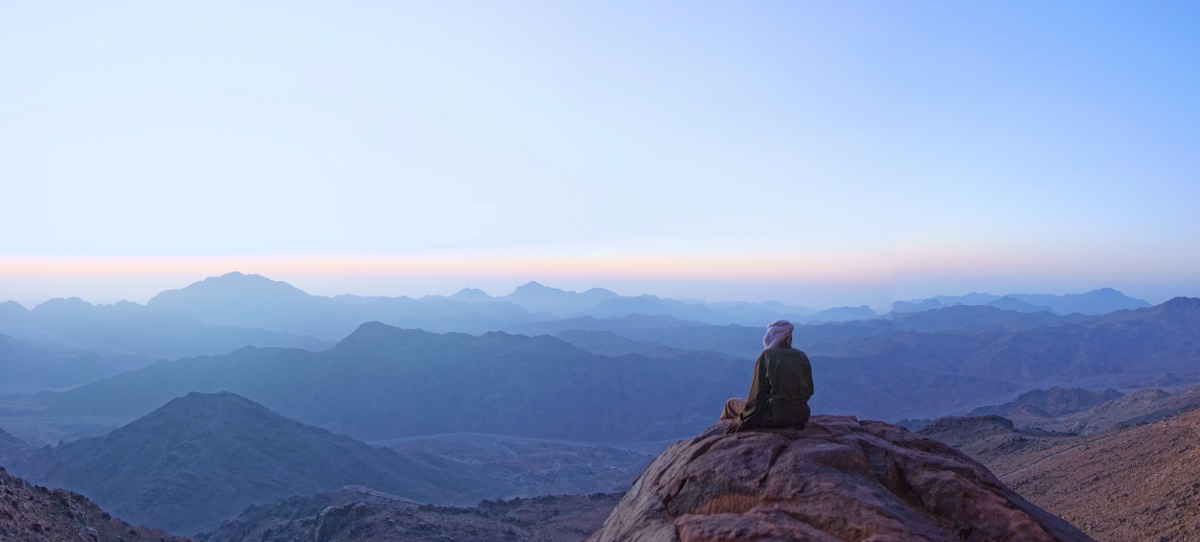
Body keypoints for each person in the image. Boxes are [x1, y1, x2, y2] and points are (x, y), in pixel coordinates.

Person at [721, 319, 813, 434]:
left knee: (731, 404)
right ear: (789, 337)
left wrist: (741, 421)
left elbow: (757, 396)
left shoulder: (767, 356)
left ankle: (722, 435)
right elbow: (809, 390)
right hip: (802, 415)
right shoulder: (802, 356)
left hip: (775, 416)